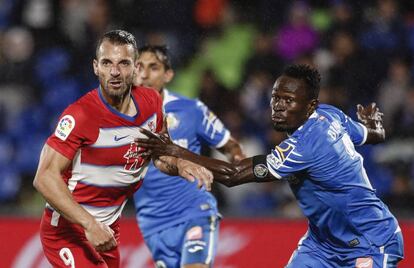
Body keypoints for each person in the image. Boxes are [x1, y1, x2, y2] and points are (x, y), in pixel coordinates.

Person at [137, 64, 404, 267]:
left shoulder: (304, 144)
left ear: (310, 106)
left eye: (288, 101)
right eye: (276, 97)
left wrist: (174, 150)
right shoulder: (330, 114)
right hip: (323, 244)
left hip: (371, 241)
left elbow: (232, 174)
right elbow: (373, 134)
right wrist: (375, 122)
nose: (278, 106)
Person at [33, 30, 213, 268]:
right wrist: (90, 224)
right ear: (96, 67)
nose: (115, 72)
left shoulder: (151, 103)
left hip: (106, 229)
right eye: (107, 63)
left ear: (136, 68)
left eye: (123, 63)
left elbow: (160, 155)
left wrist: (180, 163)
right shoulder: (81, 115)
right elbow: (44, 177)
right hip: (69, 229)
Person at [133, 45, 245, 268]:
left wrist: (237, 157)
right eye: (139, 67)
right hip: (153, 224)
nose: (144, 75)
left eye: (153, 67)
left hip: (194, 211)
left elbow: (228, 144)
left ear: (168, 74)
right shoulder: (120, 116)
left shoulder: (191, 109)